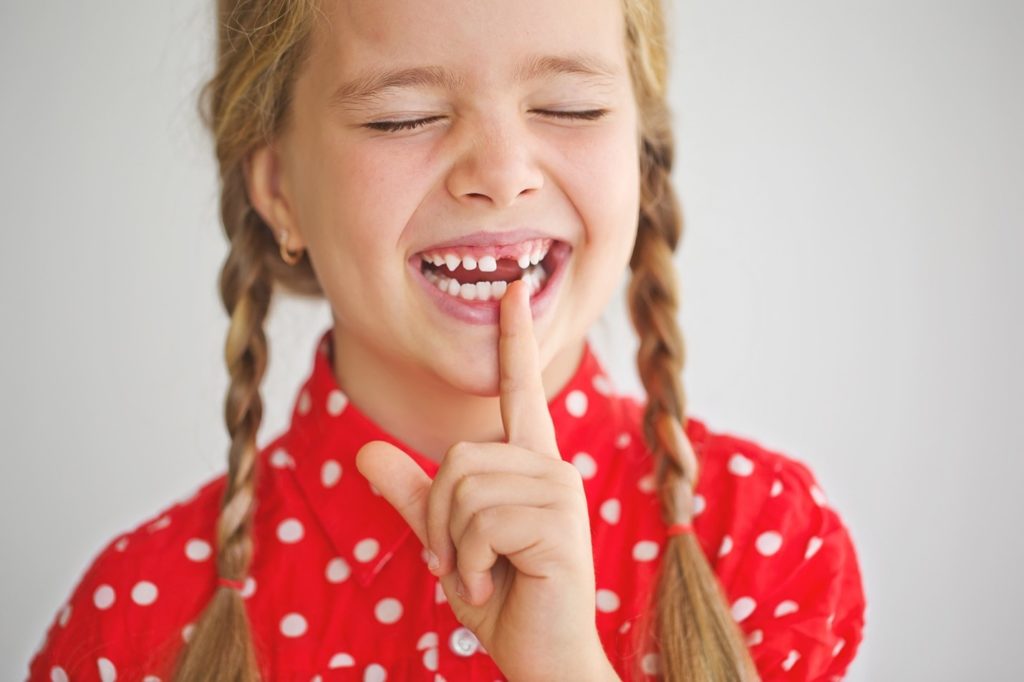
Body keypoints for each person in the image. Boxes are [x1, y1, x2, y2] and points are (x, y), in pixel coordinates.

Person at [27, 0, 866, 679]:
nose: (503, 174)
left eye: (570, 106)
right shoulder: (135, 618)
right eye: (405, 117)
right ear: (280, 187)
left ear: (638, 156)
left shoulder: (759, 541)